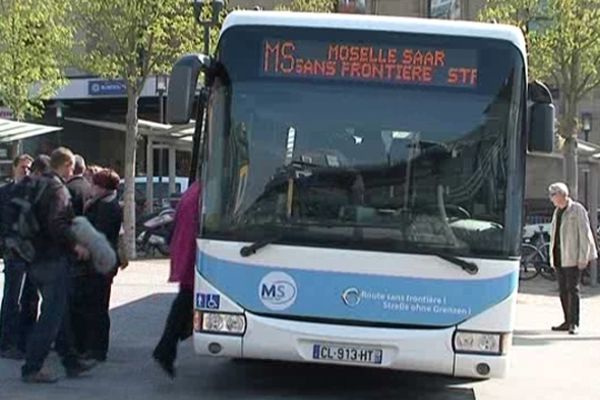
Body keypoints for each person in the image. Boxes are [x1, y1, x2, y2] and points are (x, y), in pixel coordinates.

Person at [21, 147, 94, 383]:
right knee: (51, 316)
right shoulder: (57, 189)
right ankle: (32, 367)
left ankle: (70, 361)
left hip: (33, 257)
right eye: (70, 167)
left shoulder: (35, 185)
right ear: (66, 166)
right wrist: (77, 245)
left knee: (59, 312)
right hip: (53, 259)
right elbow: (58, 224)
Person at [153, 181, 201, 378]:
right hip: (193, 257)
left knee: (184, 301)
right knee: (184, 303)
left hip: (188, 254)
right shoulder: (204, 193)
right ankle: (166, 348)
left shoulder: (194, 190)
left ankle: (168, 347)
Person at [76, 168, 122, 362]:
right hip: (99, 263)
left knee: (97, 307)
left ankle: (97, 348)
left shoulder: (107, 208)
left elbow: (98, 234)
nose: (92, 188)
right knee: (93, 304)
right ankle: (91, 346)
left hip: (100, 264)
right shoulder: (101, 203)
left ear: (103, 188)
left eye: (95, 184)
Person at [549, 182, 598, 335]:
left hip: (573, 256)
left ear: (561, 195)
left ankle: (574, 323)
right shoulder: (557, 211)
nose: (551, 199)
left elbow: (585, 235)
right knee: (562, 290)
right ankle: (566, 320)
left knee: (573, 290)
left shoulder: (577, 210)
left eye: (553, 195)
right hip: (559, 257)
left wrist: (583, 257)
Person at [0, 154, 33, 359]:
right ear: (14, 168)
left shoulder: (33, 192)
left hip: (31, 252)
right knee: (12, 297)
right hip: (13, 252)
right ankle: (7, 340)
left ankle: (24, 339)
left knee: (29, 297)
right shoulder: (5, 192)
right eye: (23, 167)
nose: (26, 171)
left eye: (29, 168)